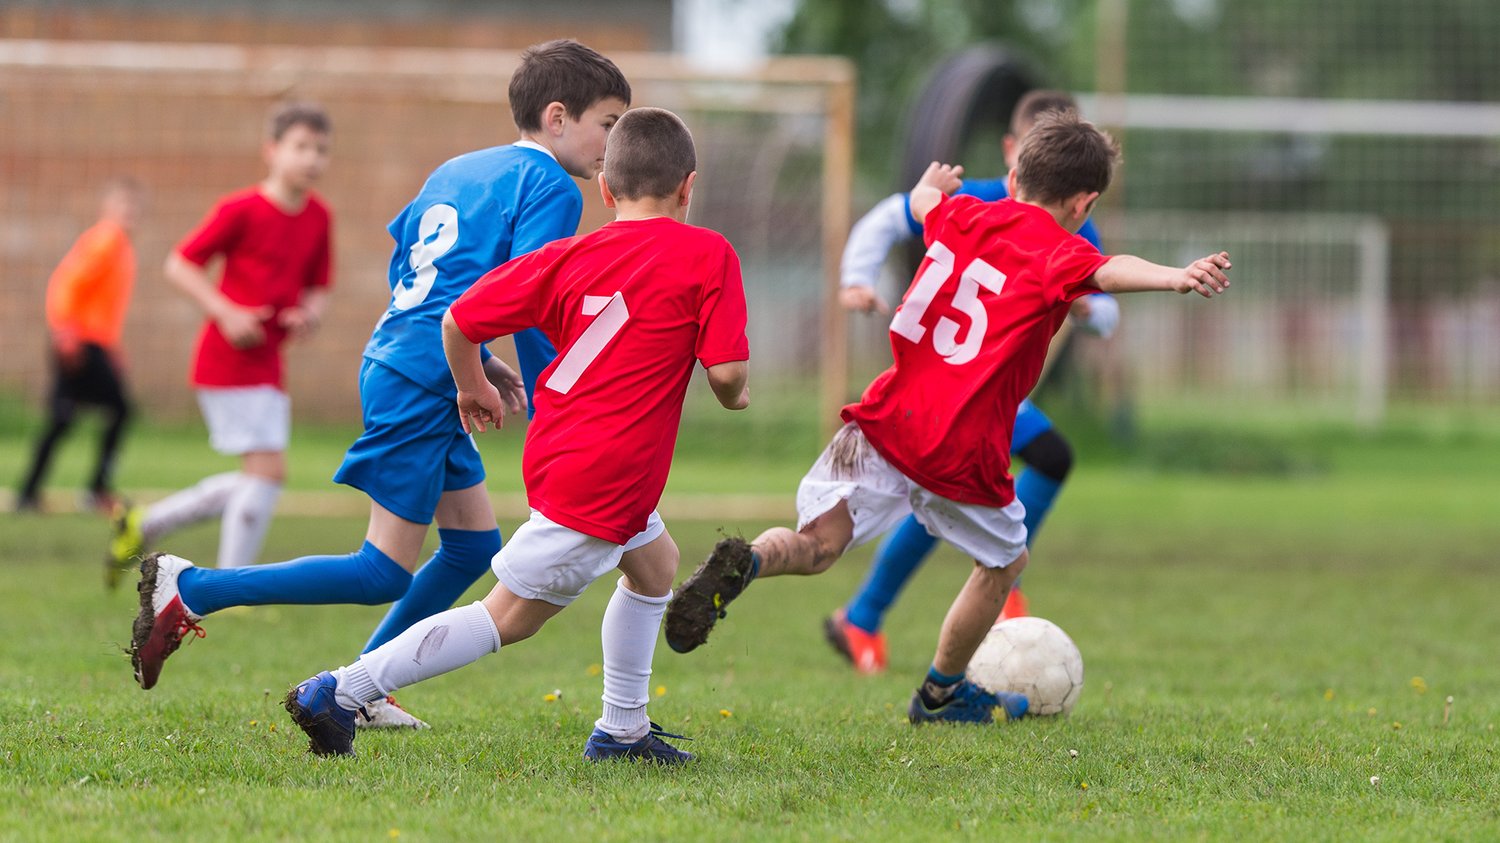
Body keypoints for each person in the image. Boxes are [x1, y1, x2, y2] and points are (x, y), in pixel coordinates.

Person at [126, 41, 632, 733]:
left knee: (471, 550)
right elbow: (534, 300)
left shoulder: (460, 167)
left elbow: (410, 261)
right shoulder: (551, 187)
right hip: (424, 378)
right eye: (608, 122)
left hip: (409, 360)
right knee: (380, 572)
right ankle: (193, 586)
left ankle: (360, 686)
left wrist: (473, 363)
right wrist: (555, 409)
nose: (614, 142)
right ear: (556, 118)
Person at [665, 112, 1230, 725]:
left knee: (818, 545)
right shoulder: (1060, 251)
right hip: (960, 446)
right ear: (1084, 201)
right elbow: (1106, 269)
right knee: (1005, 563)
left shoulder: (960, 215)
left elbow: (926, 202)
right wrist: (1176, 276)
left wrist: (928, 185)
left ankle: (747, 561)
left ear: (1013, 176)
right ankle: (941, 693)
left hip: (883, 419)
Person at [281, 106, 750, 763]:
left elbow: (460, 319)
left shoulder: (566, 255)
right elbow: (727, 376)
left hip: (566, 449)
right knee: (510, 616)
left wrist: (470, 383)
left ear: (606, 190)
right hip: (607, 468)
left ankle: (623, 729)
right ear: (689, 187)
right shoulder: (708, 253)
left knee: (656, 565)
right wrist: (738, 391)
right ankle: (341, 689)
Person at [825, 90, 1122, 674]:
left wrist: (1089, 311)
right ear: (1014, 151)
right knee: (997, 473)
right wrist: (856, 279)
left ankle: (868, 613)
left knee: (971, 483)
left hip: (991, 395)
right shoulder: (981, 197)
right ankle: (967, 589)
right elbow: (890, 216)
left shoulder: (1075, 225)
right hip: (947, 386)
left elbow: (1109, 303)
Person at [105, 102, 334, 586]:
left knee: (261, 476)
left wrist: (307, 316)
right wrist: (227, 312)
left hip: (270, 362)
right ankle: (228, 583)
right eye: (300, 147)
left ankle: (145, 524)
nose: (311, 158)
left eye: (320, 150)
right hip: (226, 360)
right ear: (271, 151)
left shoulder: (318, 217)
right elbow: (180, 263)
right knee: (267, 472)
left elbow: (319, 286)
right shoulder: (241, 209)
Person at [15, 178, 144, 516]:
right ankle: (96, 490)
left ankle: (28, 493)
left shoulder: (119, 245)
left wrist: (113, 347)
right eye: (122, 205)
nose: (128, 213)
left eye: (133, 207)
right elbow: (66, 283)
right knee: (118, 410)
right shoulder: (107, 239)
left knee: (63, 418)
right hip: (80, 342)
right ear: (107, 208)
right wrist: (65, 331)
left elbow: (102, 304)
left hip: (92, 341)